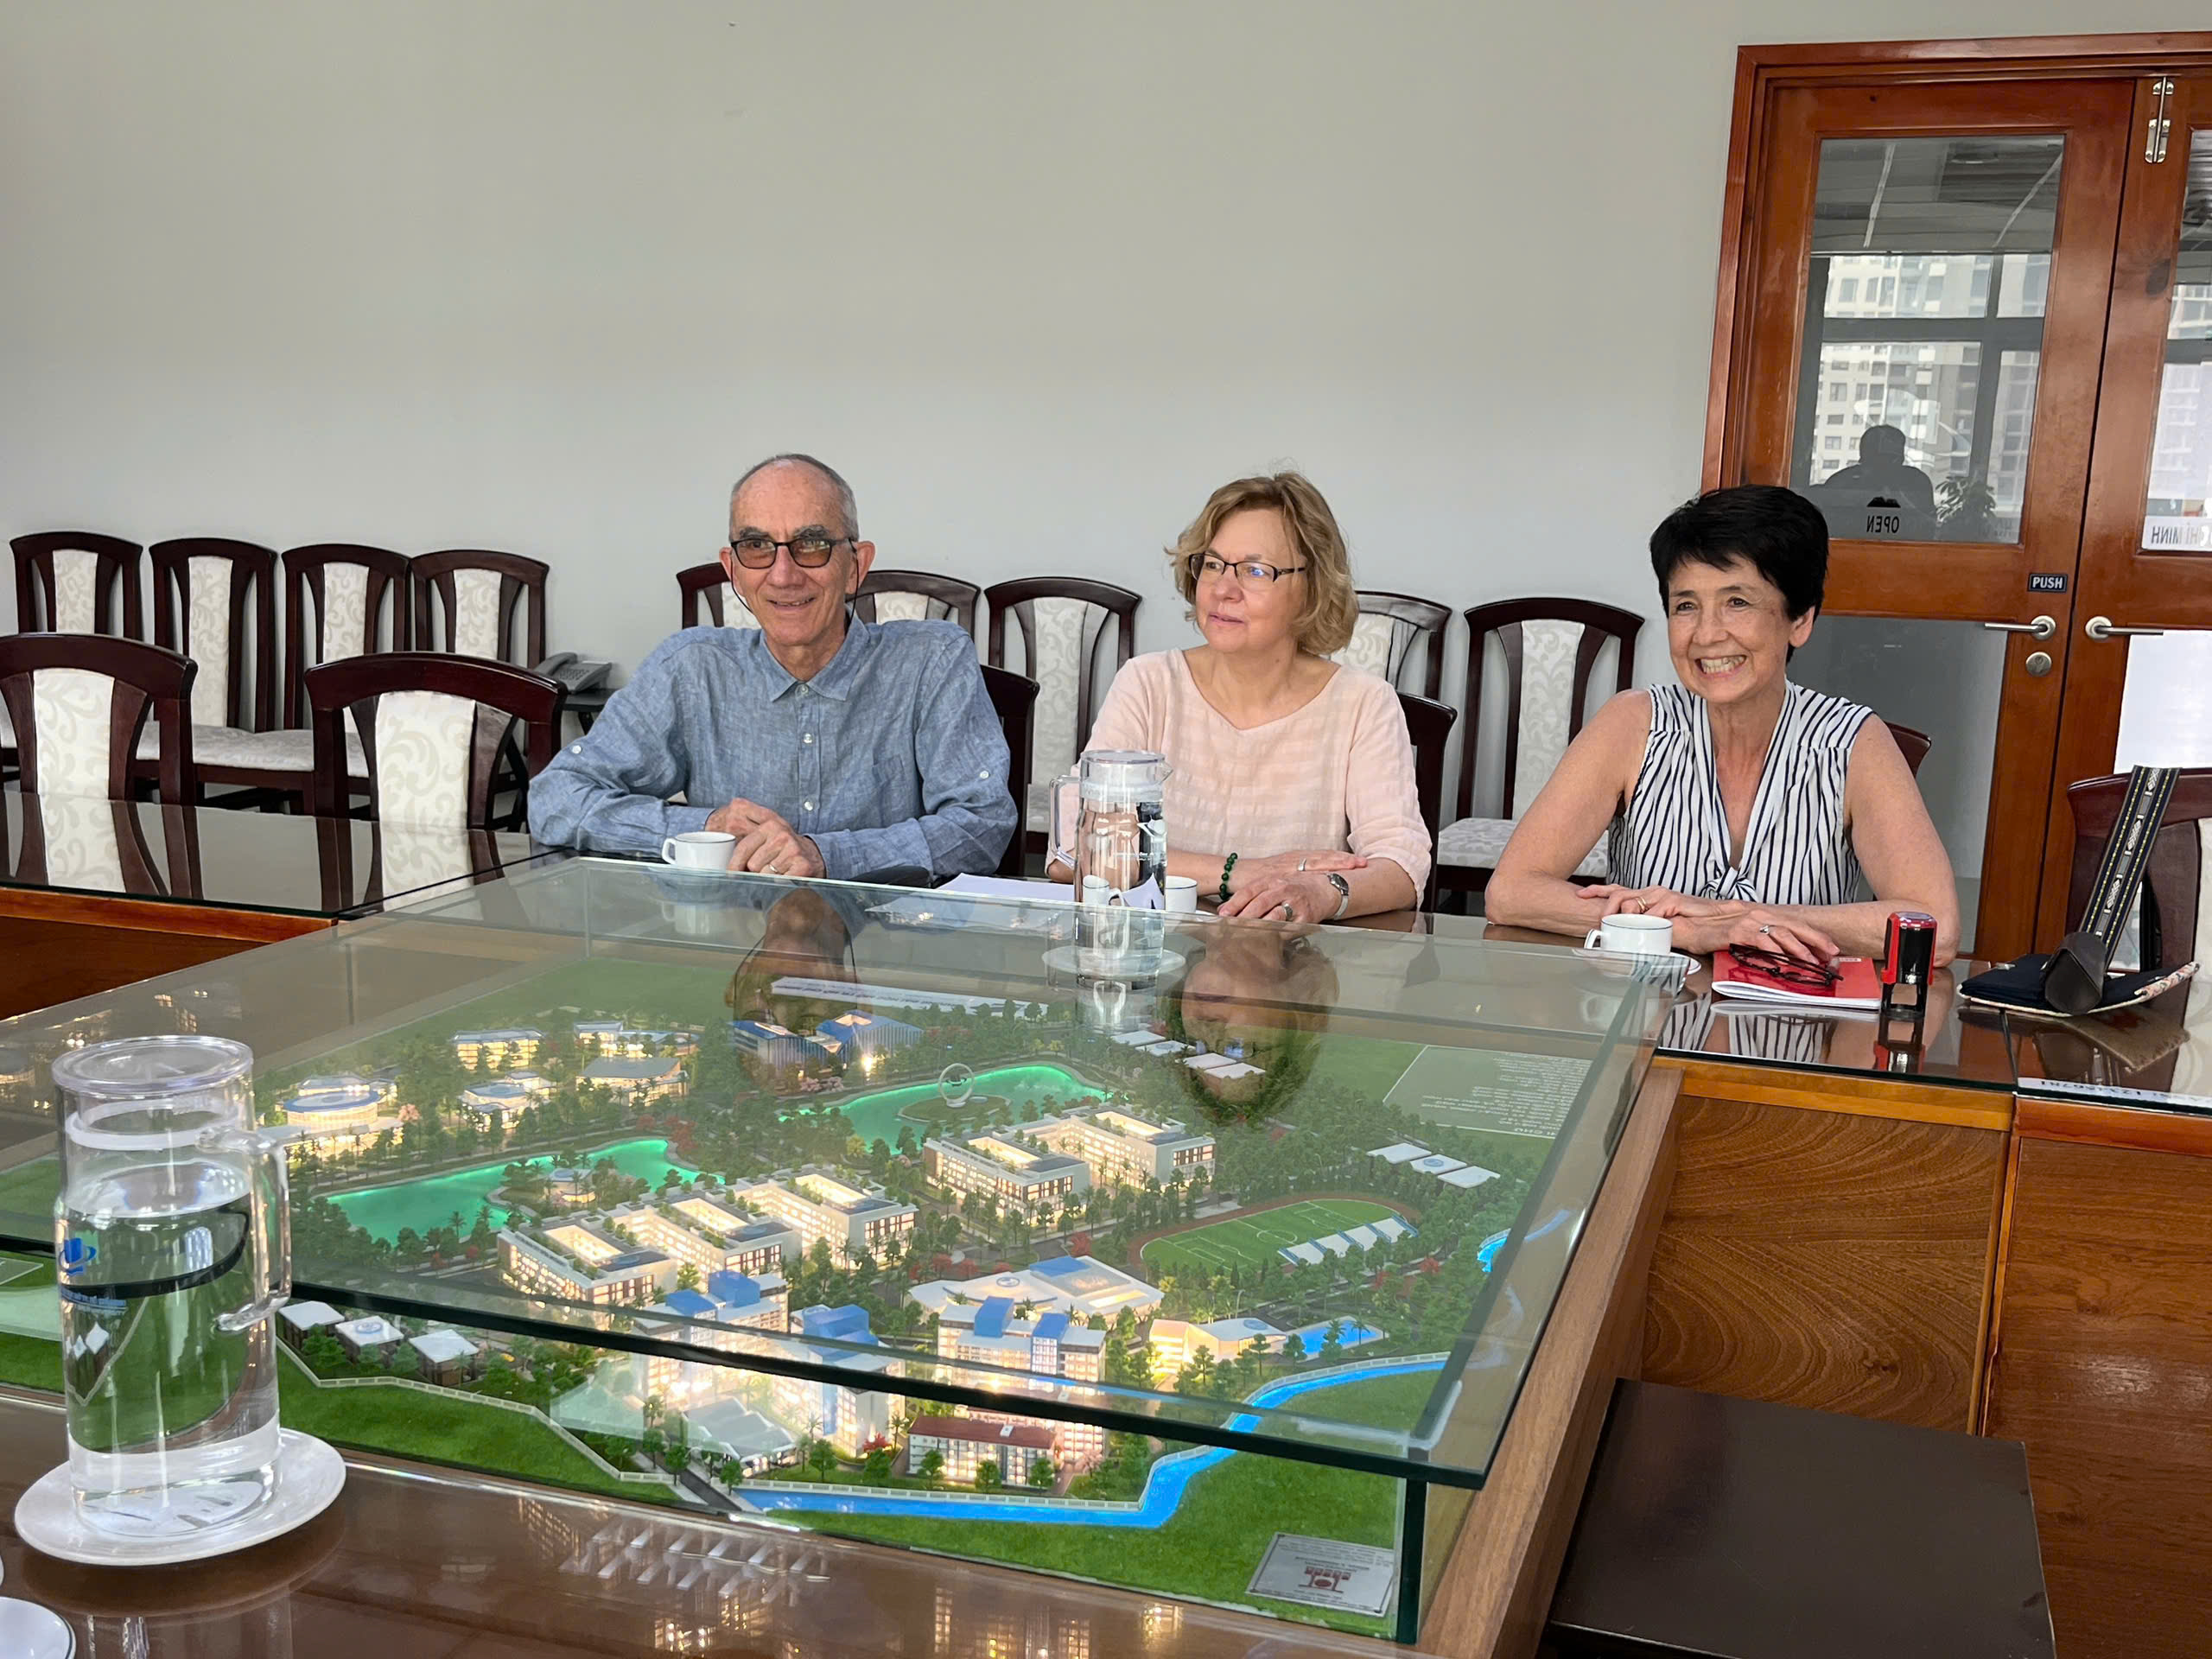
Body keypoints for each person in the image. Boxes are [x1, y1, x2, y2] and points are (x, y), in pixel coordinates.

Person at [1484, 485, 1959, 965]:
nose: (1708, 635)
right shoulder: (1633, 724)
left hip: (1793, 1012)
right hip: (1641, 1008)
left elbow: (1934, 928)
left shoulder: (1852, 742)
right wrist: (1686, 929)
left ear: (1800, 621)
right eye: (1686, 606)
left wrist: (1743, 918)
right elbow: (1511, 893)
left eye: (1737, 602)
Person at [528, 454, 1016, 881]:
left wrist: (824, 855)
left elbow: (982, 826)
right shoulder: (691, 667)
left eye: (812, 544)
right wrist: (706, 829)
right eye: (757, 546)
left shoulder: (932, 661)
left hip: (887, 948)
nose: (784, 575)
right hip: (731, 946)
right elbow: (554, 799)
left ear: (856, 566)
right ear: (733, 569)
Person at [1063, 472, 1430, 923]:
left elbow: (1402, 866)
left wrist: (1321, 893)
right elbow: (1074, 848)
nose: (1223, 590)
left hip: (1294, 955)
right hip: (1151, 951)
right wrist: (1242, 873)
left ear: (1311, 589)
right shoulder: (1149, 683)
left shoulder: (1363, 702)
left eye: (1256, 571)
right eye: (1213, 564)